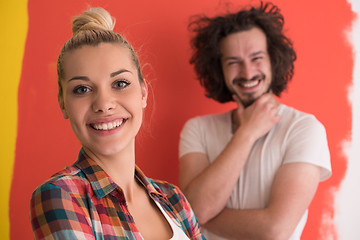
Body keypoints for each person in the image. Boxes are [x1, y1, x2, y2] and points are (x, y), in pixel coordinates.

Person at [30, 7, 205, 240]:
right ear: (63, 104)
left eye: (120, 83)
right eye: (82, 89)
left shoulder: (175, 199)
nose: (103, 104)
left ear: (143, 93)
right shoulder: (60, 195)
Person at [178, 2, 332, 240]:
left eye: (256, 58)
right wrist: (248, 132)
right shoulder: (197, 129)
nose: (247, 72)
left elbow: (275, 230)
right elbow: (192, 212)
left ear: (273, 60)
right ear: (219, 69)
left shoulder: (305, 128)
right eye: (233, 62)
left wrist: (202, 216)